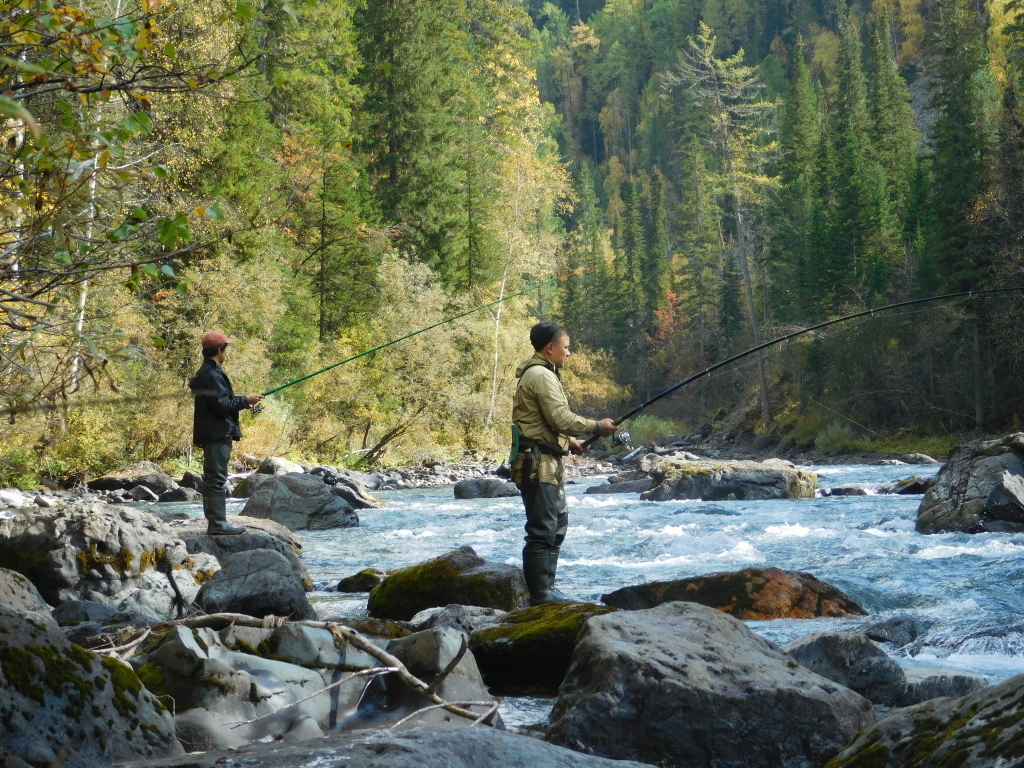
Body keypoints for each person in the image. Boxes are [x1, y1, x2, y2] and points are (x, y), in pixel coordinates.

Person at [510, 321, 616, 605]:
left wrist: (570, 443)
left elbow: (537, 421)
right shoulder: (541, 376)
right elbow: (560, 418)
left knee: (557, 524)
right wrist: (597, 426)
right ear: (550, 347)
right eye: (566, 348)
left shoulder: (539, 374)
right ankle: (541, 595)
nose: (568, 353)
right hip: (537, 463)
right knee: (543, 529)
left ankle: (548, 590)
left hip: (544, 459)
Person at [189, 331, 264, 535]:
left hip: (214, 432)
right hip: (217, 434)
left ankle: (217, 522)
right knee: (216, 479)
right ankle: (218, 524)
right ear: (219, 350)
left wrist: (244, 401)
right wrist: (245, 400)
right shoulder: (212, 375)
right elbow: (223, 406)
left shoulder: (209, 372)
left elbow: (220, 403)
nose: (226, 352)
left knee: (214, 478)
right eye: (226, 348)